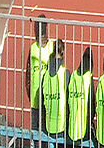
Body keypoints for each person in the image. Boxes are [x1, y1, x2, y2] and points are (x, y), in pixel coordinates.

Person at [26, 15, 54, 144]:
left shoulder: (52, 47)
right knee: (35, 132)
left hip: (48, 99)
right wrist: (30, 92)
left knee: (47, 133)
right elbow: (28, 71)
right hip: (35, 99)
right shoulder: (32, 48)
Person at [66, 47, 94, 147]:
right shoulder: (88, 77)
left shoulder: (73, 75)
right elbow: (91, 103)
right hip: (83, 130)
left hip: (71, 128)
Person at [41, 39, 68, 142]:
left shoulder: (45, 74)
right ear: (63, 52)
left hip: (48, 125)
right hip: (62, 126)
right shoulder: (64, 73)